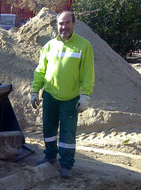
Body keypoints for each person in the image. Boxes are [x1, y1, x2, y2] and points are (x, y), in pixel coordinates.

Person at [31, 10, 95, 179]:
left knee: (68, 133)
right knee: (49, 129)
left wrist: (86, 95)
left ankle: (66, 165)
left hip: (70, 98)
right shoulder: (49, 46)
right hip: (50, 96)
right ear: (57, 25)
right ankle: (50, 156)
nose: (64, 26)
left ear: (74, 24)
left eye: (67, 22)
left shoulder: (83, 45)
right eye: (61, 23)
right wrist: (34, 91)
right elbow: (40, 70)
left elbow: (88, 72)